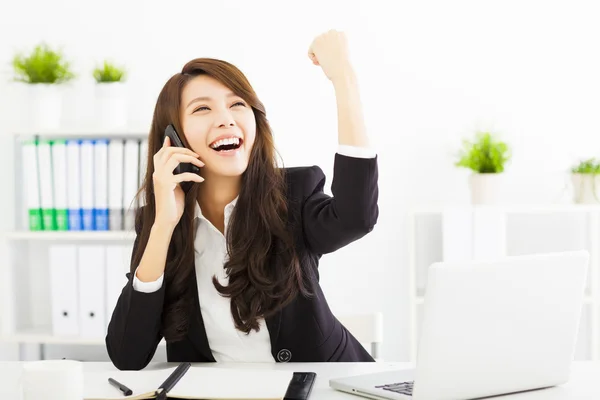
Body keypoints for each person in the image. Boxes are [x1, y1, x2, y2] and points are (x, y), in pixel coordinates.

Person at [106, 29, 379, 370]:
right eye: (202, 109)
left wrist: (343, 77)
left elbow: (357, 217)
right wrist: (163, 225)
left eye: (237, 104)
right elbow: (127, 355)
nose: (226, 118)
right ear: (172, 139)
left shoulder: (293, 193)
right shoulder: (160, 220)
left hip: (321, 386)